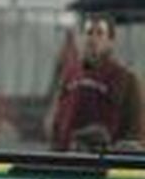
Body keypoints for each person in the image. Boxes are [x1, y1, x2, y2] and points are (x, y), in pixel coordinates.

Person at [50, 15, 144, 152]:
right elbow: (57, 122)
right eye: (88, 33)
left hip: (104, 161)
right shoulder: (70, 74)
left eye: (99, 33)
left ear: (110, 41)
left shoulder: (126, 78)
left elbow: (136, 131)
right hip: (69, 158)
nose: (92, 39)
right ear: (81, 37)